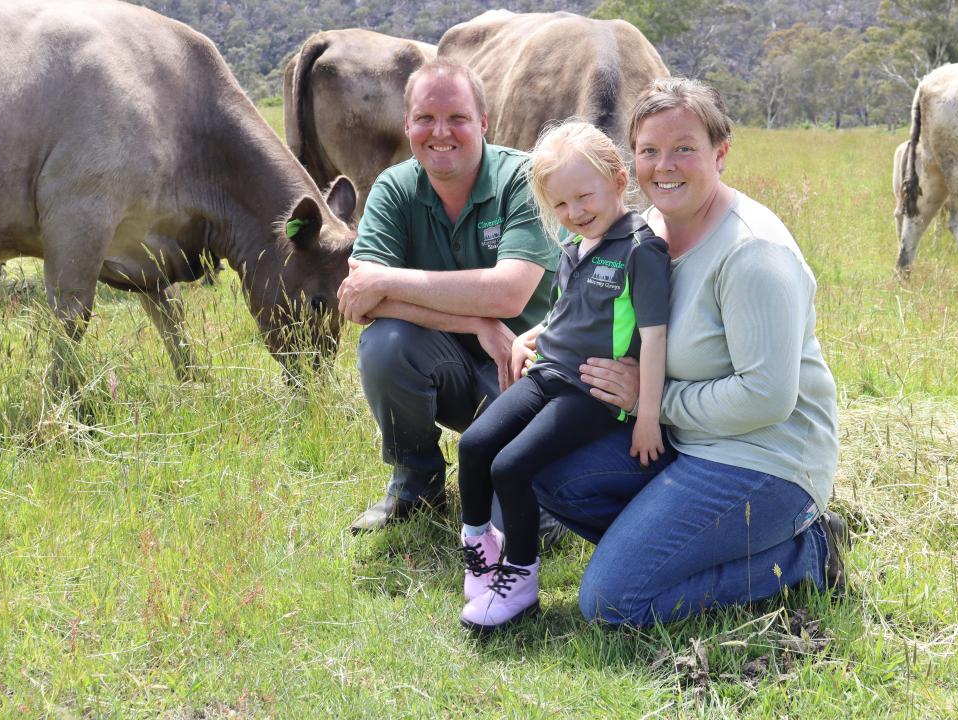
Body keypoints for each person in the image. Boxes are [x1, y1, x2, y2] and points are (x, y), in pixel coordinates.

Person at [528, 78, 848, 627]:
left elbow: (768, 398)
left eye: (684, 148)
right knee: (541, 465)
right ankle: (674, 549)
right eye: (650, 150)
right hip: (682, 442)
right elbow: (603, 308)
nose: (664, 165)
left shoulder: (753, 255)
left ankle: (805, 553)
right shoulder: (647, 229)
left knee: (611, 603)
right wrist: (542, 337)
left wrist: (653, 401)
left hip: (763, 458)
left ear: (720, 153)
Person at [456, 121, 670, 632]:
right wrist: (533, 335)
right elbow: (568, 311)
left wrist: (648, 417)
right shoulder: (575, 247)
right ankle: (480, 548)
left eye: (584, 196)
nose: (574, 213)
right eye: (560, 205)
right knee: (474, 445)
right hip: (547, 372)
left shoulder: (642, 251)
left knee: (511, 467)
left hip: (592, 392)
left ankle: (521, 580)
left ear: (620, 181)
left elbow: (656, 338)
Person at [335, 58, 558, 533]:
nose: (441, 132)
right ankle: (415, 483)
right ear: (407, 125)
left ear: (482, 122)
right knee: (386, 342)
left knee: (525, 522)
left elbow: (509, 295)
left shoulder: (523, 179)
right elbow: (360, 302)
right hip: (451, 366)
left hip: (527, 373)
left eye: (457, 118)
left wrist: (388, 281)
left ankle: (543, 489)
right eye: (425, 119)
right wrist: (478, 323)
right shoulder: (394, 188)